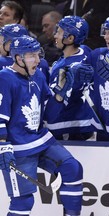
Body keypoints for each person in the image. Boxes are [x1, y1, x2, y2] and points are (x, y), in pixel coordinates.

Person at [0, 35, 83, 216]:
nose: (38, 60)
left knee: (73, 169)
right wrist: (2, 145)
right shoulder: (4, 79)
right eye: (32, 56)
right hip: (18, 147)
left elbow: (49, 115)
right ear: (18, 58)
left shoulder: (37, 75)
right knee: (23, 201)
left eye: (38, 55)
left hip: (41, 139)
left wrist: (60, 95)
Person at [44, 15, 96, 141]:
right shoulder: (85, 50)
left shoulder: (65, 70)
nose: (55, 35)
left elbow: (55, 106)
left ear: (70, 38)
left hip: (66, 126)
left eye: (59, 32)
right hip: (85, 122)